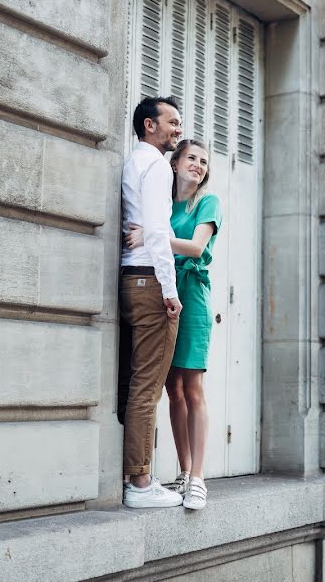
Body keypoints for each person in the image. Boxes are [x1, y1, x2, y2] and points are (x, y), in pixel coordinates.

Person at [126, 139, 221, 510]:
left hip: (192, 297)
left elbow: (197, 248)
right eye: (191, 158)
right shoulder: (165, 200)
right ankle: (183, 471)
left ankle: (198, 477)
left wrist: (153, 237)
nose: (197, 165)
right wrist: (152, 237)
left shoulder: (206, 203)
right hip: (163, 293)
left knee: (192, 386)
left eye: (203, 161)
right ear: (176, 162)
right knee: (173, 390)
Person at [119, 96, 185, 509]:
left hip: (130, 277)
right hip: (149, 280)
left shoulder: (133, 161)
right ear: (149, 126)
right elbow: (158, 232)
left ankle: (141, 477)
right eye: (172, 122)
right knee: (148, 386)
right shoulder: (159, 166)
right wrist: (169, 289)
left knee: (137, 383)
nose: (178, 129)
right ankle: (140, 483)